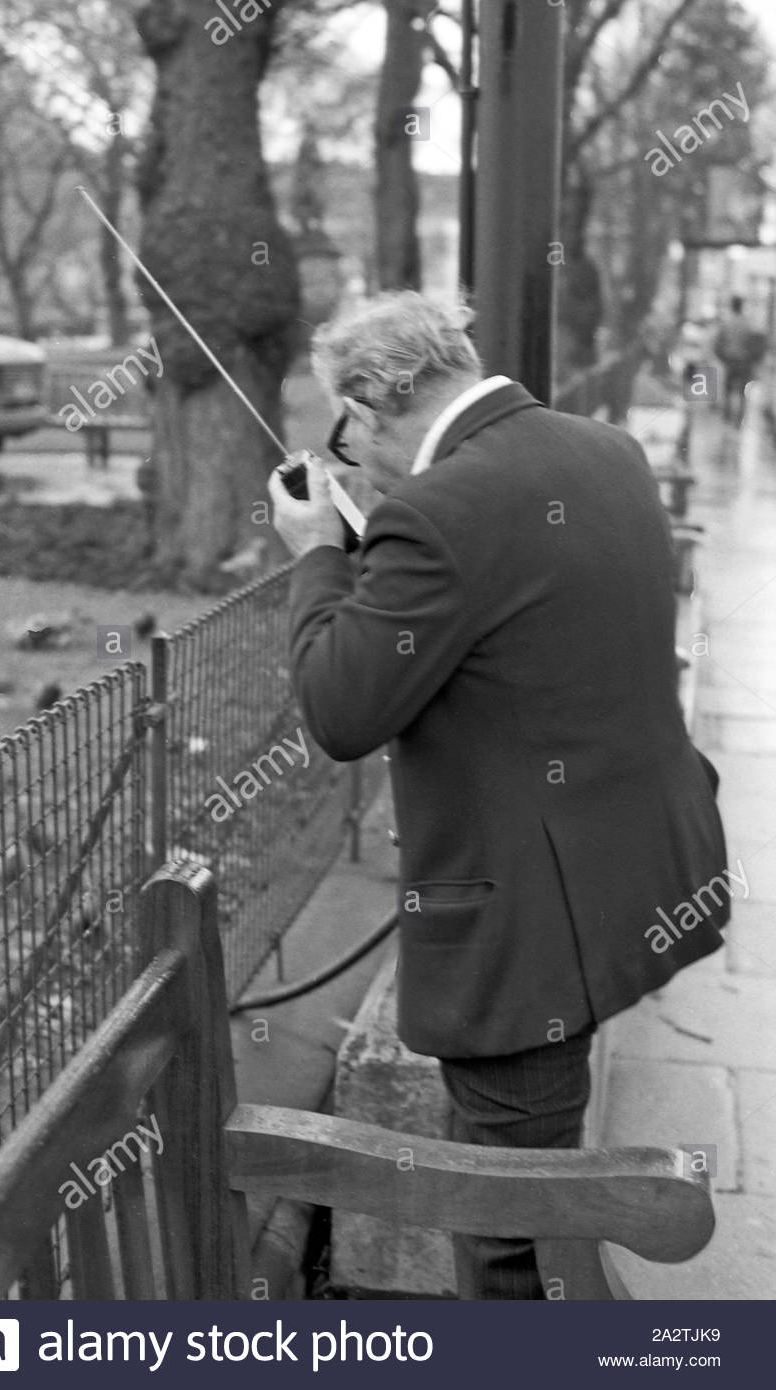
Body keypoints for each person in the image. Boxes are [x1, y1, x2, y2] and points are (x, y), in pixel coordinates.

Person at [268, 291, 730, 1300]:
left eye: (345, 431)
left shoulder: (440, 516)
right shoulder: (598, 449)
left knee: (510, 1226)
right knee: (528, 1171)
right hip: (633, 868)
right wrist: (385, 552)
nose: (346, 454)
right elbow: (522, 621)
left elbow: (342, 710)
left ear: (380, 400)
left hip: (529, 931)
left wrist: (317, 555)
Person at [714, 295, 766, 425]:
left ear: (732, 305)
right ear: (741, 306)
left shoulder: (726, 322)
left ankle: (726, 416)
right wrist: (753, 358)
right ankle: (739, 418)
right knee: (741, 390)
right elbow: (755, 341)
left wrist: (721, 356)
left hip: (729, 359)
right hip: (743, 360)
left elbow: (718, 342)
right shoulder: (747, 323)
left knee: (728, 388)